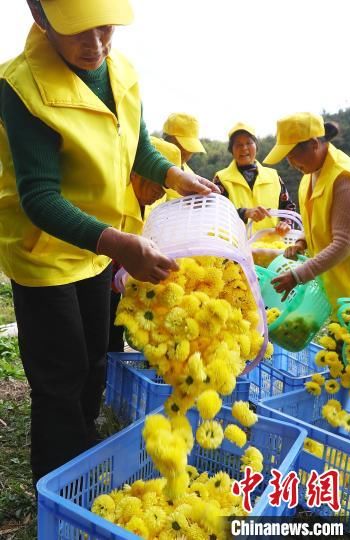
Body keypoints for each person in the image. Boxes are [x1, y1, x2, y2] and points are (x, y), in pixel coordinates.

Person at [0, 0, 219, 487]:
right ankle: (60, 480)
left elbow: (137, 145)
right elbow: (39, 197)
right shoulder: (21, 86)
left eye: (105, 28)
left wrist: (175, 175)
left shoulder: (119, 69)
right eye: (80, 31)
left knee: (97, 355)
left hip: (101, 246)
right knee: (61, 374)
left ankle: (83, 444)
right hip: (47, 252)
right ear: (40, 16)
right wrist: (121, 244)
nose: (96, 44)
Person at [263, 112, 350, 310]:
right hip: (331, 289)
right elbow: (319, 219)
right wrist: (302, 242)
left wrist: (298, 275)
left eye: (292, 155)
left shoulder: (344, 179)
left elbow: (344, 243)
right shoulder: (311, 173)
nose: (290, 163)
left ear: (314, 144)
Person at [108, 137, 182, 352]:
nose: (160, 194)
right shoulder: (114, 200)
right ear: (137, 172)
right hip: (97, 280)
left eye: (164, 189)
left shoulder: (152, 204)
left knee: (112, 340)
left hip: (123, 284)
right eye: (158, 186)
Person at [213, 122, 296, 235]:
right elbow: (217, 213)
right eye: (238, 144)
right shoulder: (221, 178)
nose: (244, 148)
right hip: (237, 247)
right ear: (231, 150)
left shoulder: (273, 176)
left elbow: (288, 207)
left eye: (249, 143)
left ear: (256, 146)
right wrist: (244, 213)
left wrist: (286, 223)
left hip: (271, 247)